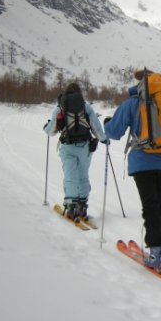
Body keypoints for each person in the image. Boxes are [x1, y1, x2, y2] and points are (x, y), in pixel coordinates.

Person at [104, 69, 161, 274]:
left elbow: (114, 132)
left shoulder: (133, 104)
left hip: (142, 163)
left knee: (150, 207)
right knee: (160, 205)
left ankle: (156, 253)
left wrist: (107, 124)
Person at [44, 82, 106, 221]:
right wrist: (103, 139)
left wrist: (46, 127)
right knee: (83, 175)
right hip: (85, 147)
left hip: (67, 147)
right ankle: (82, 207)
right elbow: (96, 127)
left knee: (71, 175)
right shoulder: (85, 107)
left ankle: (71, 206)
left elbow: (51, 131)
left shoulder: (60, 108)